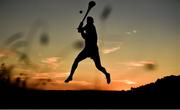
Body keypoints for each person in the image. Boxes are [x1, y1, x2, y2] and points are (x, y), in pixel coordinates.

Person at [65, 16, 111, 84]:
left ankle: (107, 74)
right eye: (87, 21)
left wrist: (81, 29)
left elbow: (84, 34)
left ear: (91, 22)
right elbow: (84, 35)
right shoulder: (88, 26)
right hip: (87, 49)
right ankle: (71, 76)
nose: (88, 22)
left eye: (89, 21)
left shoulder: (91, 27)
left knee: (98, 66)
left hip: (92, 50)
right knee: (76, 60)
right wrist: (81, 30)